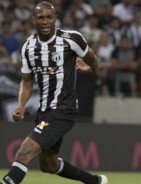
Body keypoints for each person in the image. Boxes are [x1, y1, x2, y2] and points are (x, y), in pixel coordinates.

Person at [1, 2, 108, 184]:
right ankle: (95, 181)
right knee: (48, 165)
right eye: (41, 17)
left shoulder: (71, 39)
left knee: (24, 152)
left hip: (63, 109)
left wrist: (92, 68)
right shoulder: (28, 47)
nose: (45, 21)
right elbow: (26, 81)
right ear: (34, 20)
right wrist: (20, 104)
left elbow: (93, 59)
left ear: (55, 19)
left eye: (49, 17)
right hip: (45, 112)